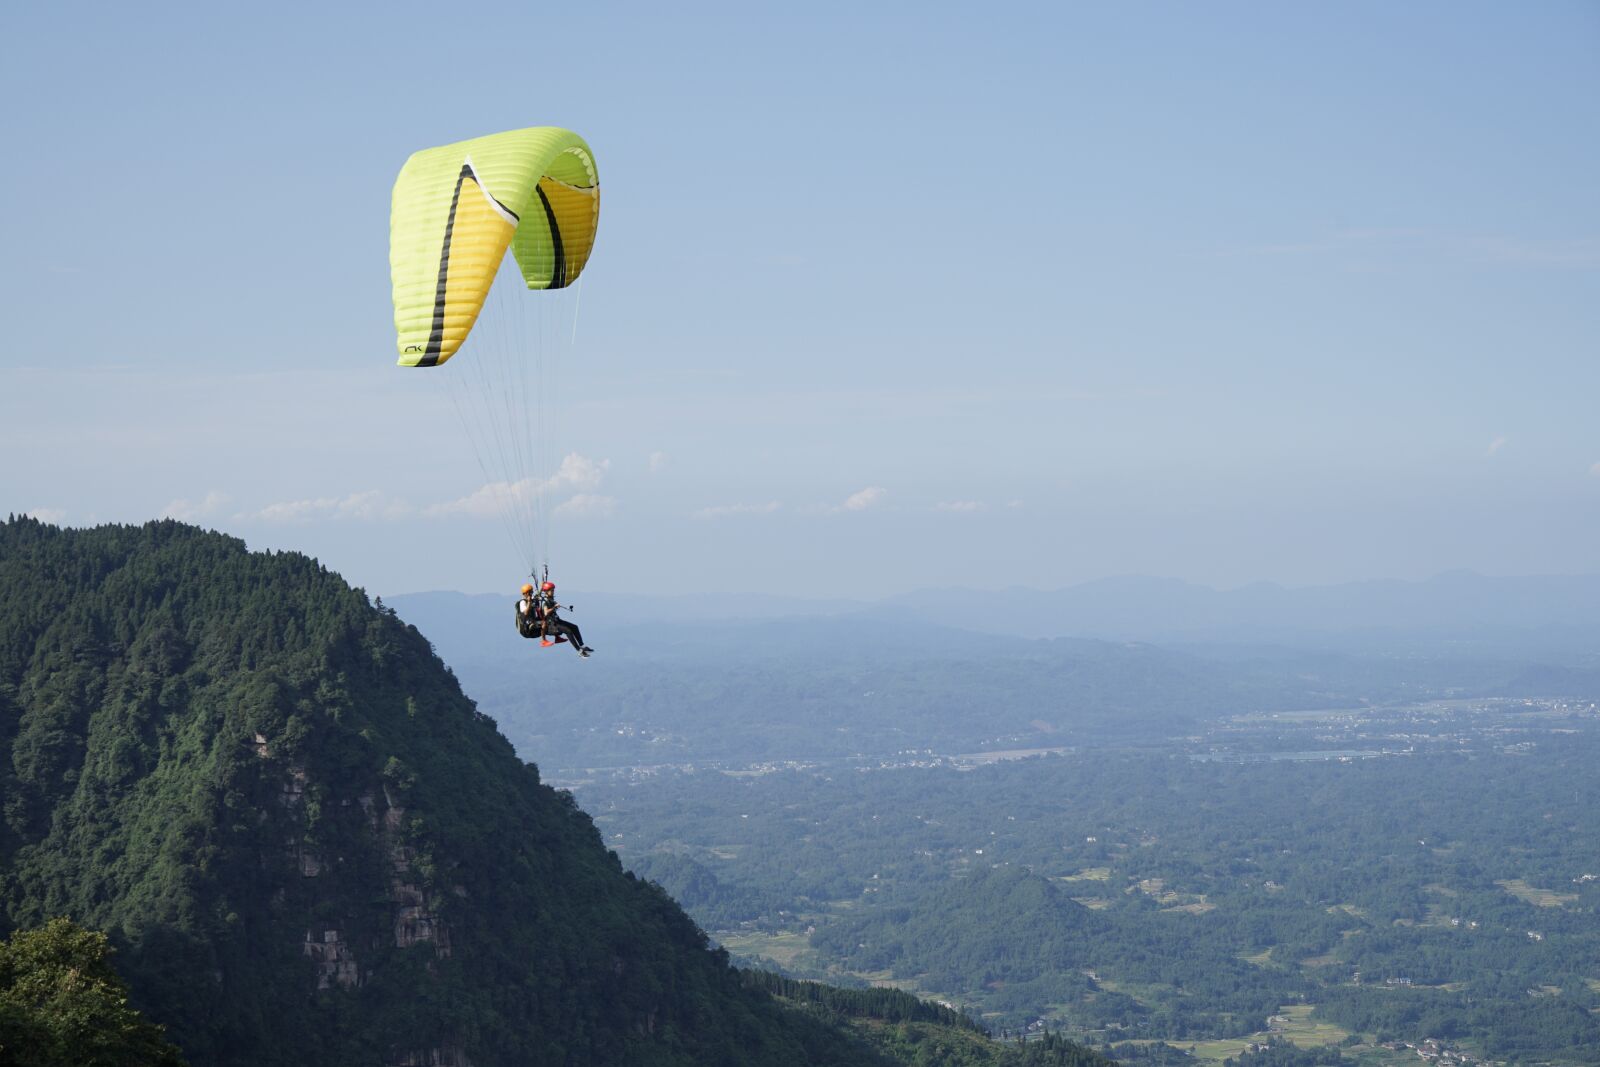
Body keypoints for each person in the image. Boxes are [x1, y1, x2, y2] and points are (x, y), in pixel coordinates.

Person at [535, 580, 592, 657]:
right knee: (568, 631)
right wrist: (554, 607)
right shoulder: (545, 602)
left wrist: (555, 606)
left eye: (553, 590)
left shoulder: (550, 600)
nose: (553, 592)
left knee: (574, 627)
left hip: (557, 621)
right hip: (551, 624)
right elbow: (546, 612)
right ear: (546, 591)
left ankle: (582, 646)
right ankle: (579, 651)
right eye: (551, 590)